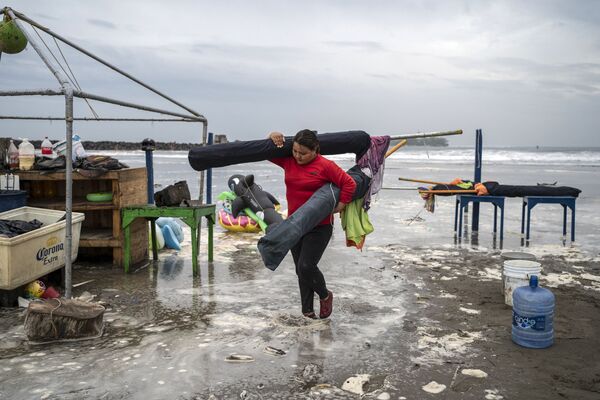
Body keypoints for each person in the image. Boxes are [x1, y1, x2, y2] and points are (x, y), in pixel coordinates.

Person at [268, 129, 356, 319]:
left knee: (307, 266)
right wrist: (272, 137)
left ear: (315, 150)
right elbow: (268, 153)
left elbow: (349, 183)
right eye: (295, 151)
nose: (298, 156)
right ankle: (307, 311)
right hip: (295, 225)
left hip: (319, 226)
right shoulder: (289, 160)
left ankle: (325, 295)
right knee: (300, 270)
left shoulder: (325, 166)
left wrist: (341, 205)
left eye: (303, 153)